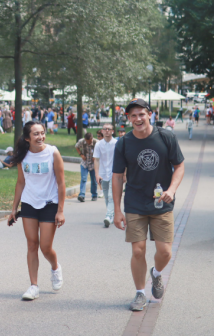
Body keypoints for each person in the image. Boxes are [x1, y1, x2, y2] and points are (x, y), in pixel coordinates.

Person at [112, 98, 185, 311]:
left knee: (165, 252)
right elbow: (117, 177)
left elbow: (179, 166)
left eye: (141, 114)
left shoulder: (166, 137)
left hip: (162, 202)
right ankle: (140, 293)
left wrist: (171, 190)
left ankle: (156, 274)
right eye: (133, 115)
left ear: (149, 114)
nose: (138, 119)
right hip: (135, 202)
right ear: (128, 118)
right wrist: (117, 210)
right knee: (138, 250)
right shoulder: (123, 143)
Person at [9, 120, 66, 301]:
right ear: (27, 138)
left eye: (42, 133)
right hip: (29, 203)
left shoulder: (52, 153)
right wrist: (13, 208)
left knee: (45, 247)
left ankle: (55, 267)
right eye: (36, 134)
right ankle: (34, 286)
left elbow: (61, 182)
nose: (40, 136)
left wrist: (61, 210)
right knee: (32, 245)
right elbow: (20, 182)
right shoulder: (23, 156)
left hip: (50, 203)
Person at [93, 123, 117, 227]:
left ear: (113, 131)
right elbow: (96, 160)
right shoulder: (98, 144)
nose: (107, 130)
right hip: (103, 173)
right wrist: (96, 174)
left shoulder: (116, 143)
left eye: (109, 129)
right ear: (102, 131)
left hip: (114, 173)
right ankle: (111, 215)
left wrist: (123, 174)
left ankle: (108, 215)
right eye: (105, 129)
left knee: (111, 196)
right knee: (107, 196)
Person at [75, 133, 98, 202]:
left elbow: (101, 151)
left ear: (92, 138)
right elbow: (76, 147)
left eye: (89, 141)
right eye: (87, 141)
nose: (88, 142)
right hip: (84, 163)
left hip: (93, 164)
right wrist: (81, 154)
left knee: (94, 180)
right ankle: (82, 195)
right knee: (83, 179)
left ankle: (94, 195)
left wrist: (96, 156)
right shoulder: (81, 141)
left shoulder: (96, 142)